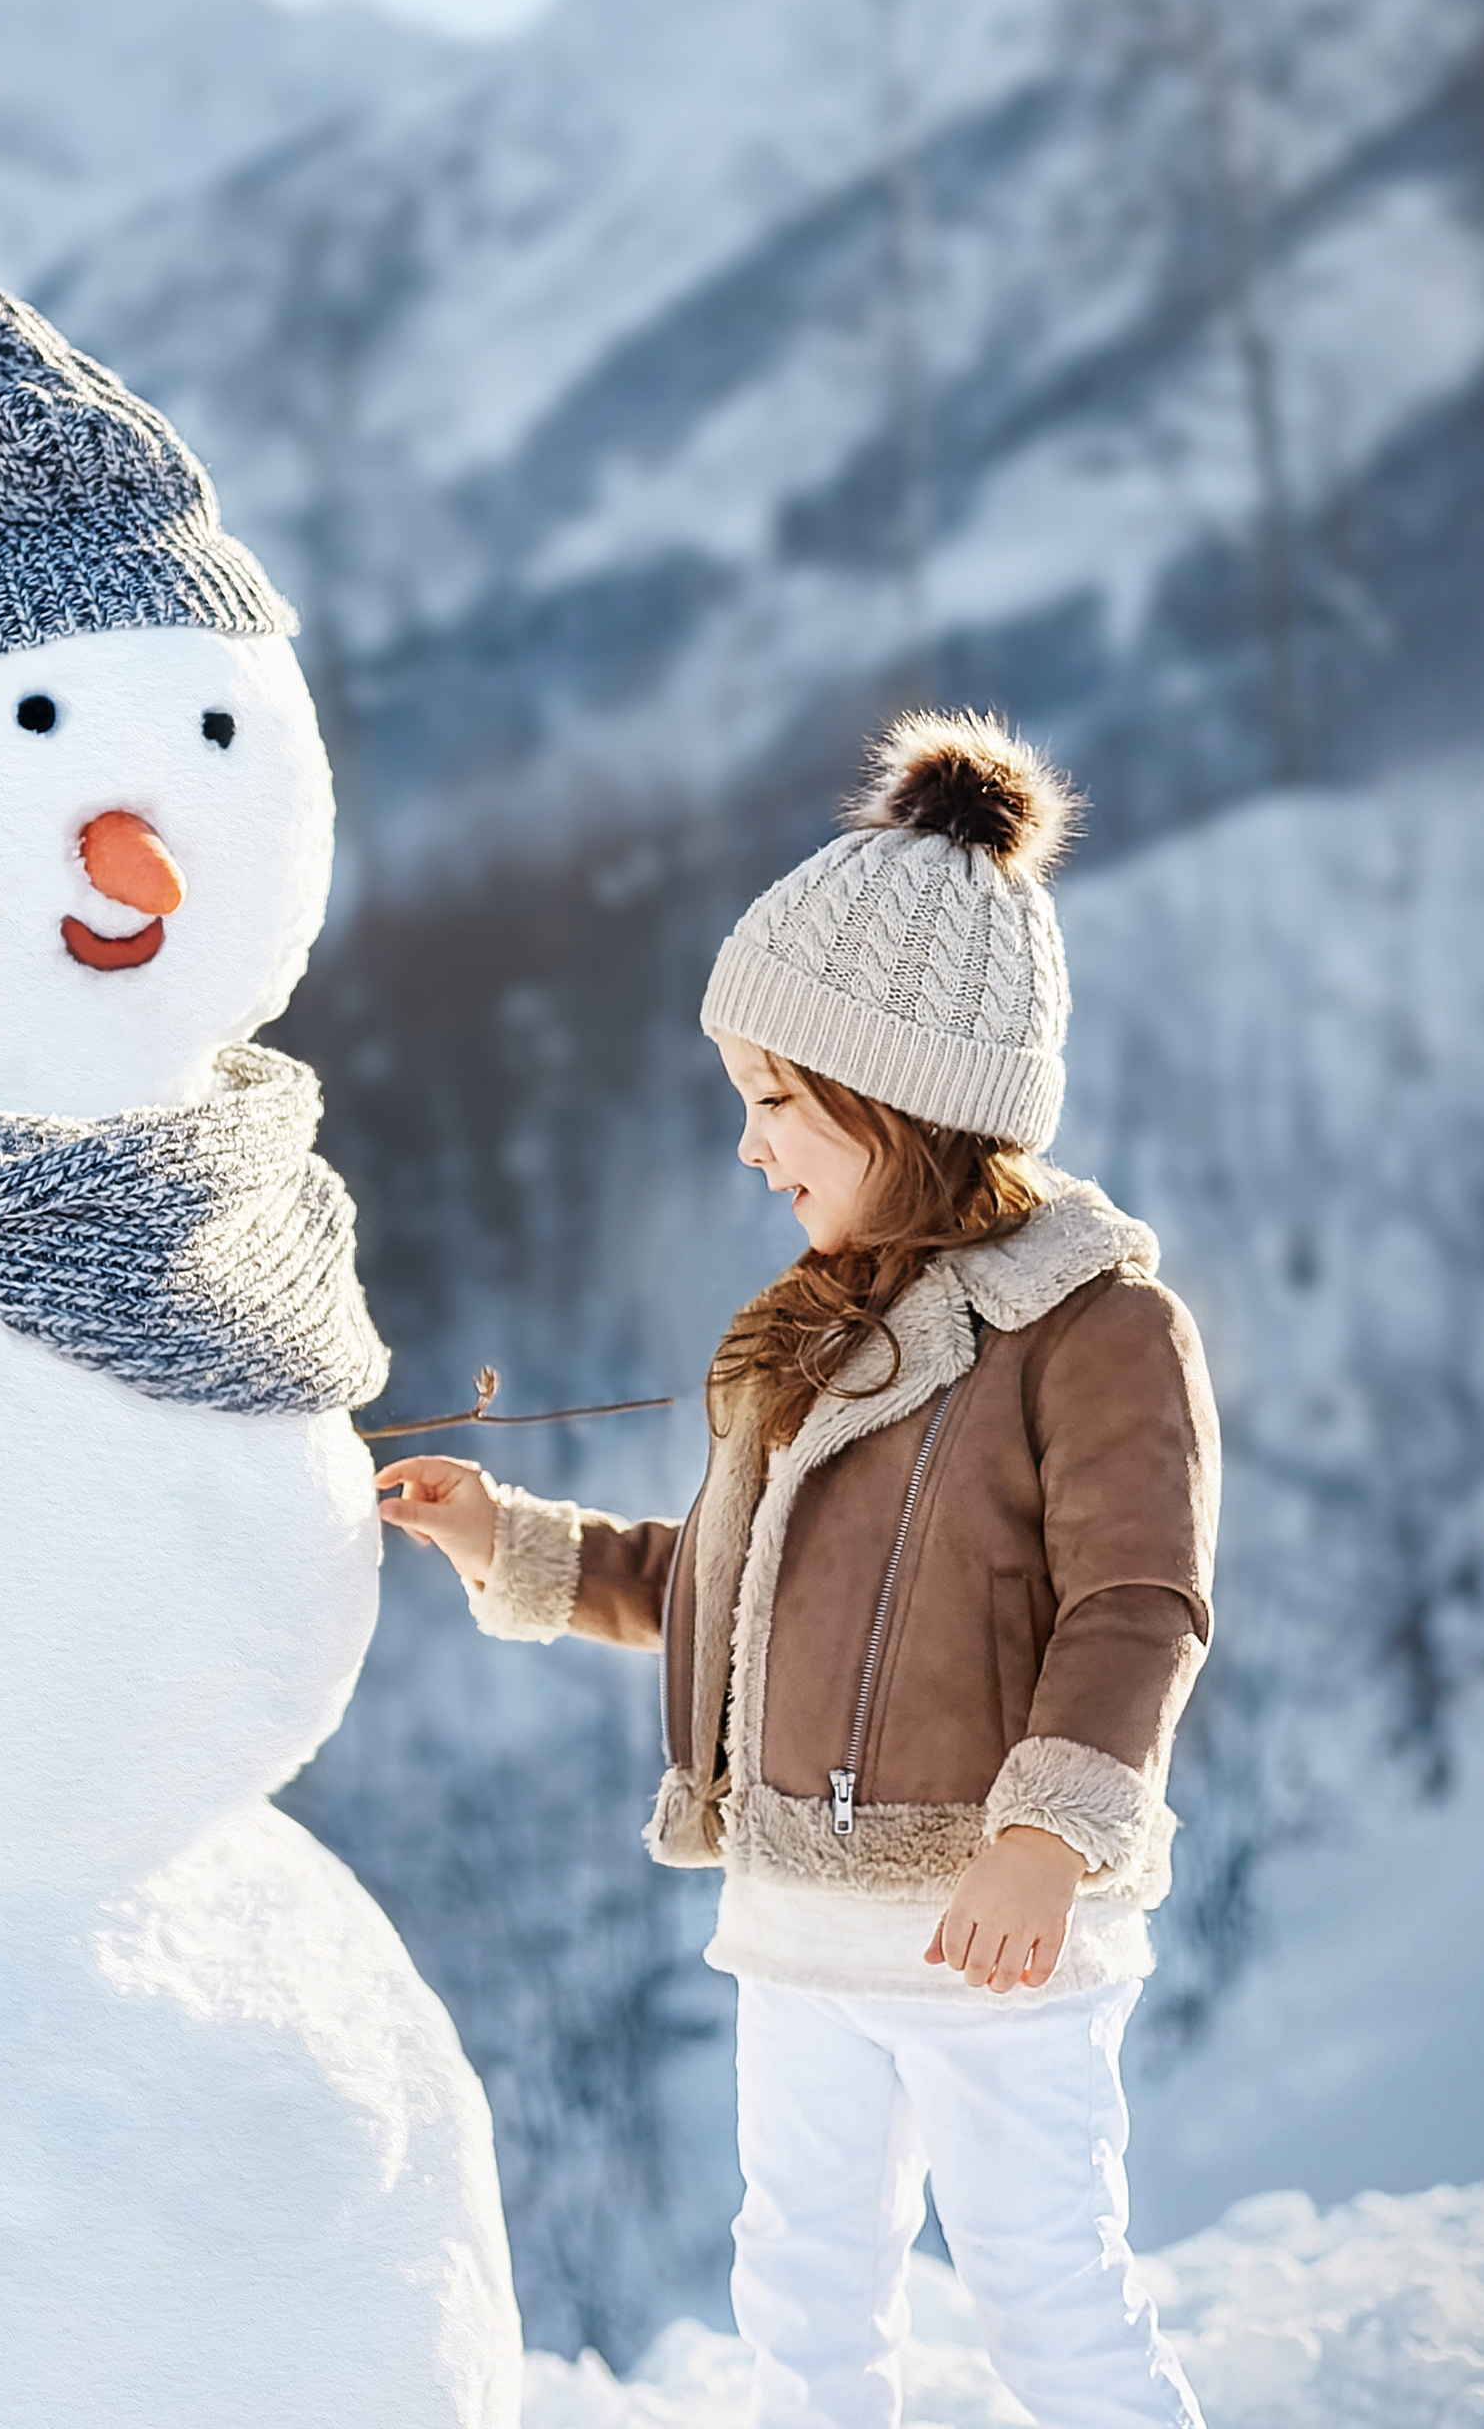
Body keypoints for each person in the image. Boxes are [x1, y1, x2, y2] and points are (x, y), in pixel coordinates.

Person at [378, 712, 1216, 2429]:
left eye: (778, 1102)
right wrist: (509, 1543)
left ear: (900, 1101)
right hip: (796, 1924)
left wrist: (1049, 1838)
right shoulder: (814, 1337)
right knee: (807, 2308)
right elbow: (732, 1591)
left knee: (1048, 2301)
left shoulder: (1093, 1328)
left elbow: (1136, 1602)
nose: (753, 1146)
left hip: (992, 1939)